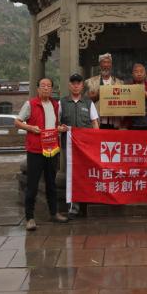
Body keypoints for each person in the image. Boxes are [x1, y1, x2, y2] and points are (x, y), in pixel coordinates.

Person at [15, 78, 69, 231]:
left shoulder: (55, 105)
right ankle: (30, 218)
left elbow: (56, 124)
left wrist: (60, 128)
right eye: (43, 86)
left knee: (51, 183)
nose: (46, 88)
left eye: (49, 86)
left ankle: (54, 213)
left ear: (52, 89)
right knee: (32, 184)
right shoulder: (30, 104)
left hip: (52, 150)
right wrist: (31, 128)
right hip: (35, 150)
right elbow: (17, 122)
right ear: (38, 89)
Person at [59, 73, 100, 218]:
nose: (76, 86)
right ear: (69, 85)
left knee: (88, 173)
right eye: (73, 83)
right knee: (72, 176)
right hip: (69, 147)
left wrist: (96, 141)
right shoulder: (62, 103)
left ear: (82, 86)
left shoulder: (88, 103)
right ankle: (74, 208)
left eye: (78, 83)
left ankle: (88, 203)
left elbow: (94, 123)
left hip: (86, 148)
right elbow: (57, 124)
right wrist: (61, 128)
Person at [85, 53, 123, 129]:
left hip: (114, 122)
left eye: (108, 62)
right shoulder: (90, 82)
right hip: (98, 122)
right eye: (104, 62)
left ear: (111, 65)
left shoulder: (119, 83)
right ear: (100, 65)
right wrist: (98, 95)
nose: (106, 65)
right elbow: (85, 101)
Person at [124, 62, 147, 130]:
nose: (139, 74)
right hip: (132, 122)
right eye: (136, 72)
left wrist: (141, 90)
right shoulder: (128, 87)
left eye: (141, 72)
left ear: (145, 74)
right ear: (133, 74)